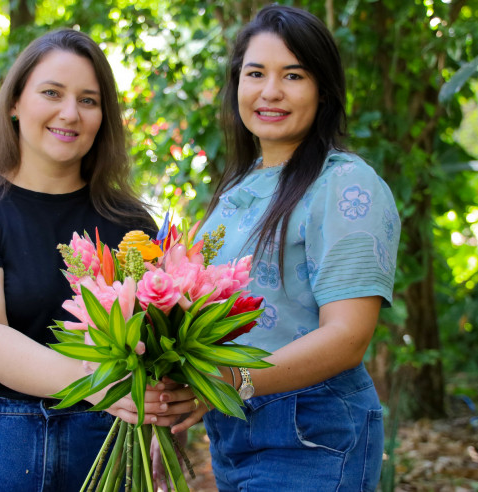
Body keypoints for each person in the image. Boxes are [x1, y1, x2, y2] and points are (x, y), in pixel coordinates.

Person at [0, 29, 192, 491]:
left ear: (104, 118)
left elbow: (155, 345)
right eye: (52, 93)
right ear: (15, 103)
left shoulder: (132, 224)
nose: (70, 113)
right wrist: (98, 383)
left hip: (104, 454)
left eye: (89, 100)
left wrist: (162, 421)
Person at [167, 5, 401, 491]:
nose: (270, 91)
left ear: (323, 89)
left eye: (293, 75)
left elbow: (348, 336)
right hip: (234, 427)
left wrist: (231, 382)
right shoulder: (237, 190)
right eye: (256, 73)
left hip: (310, 428)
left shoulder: (345, 184)